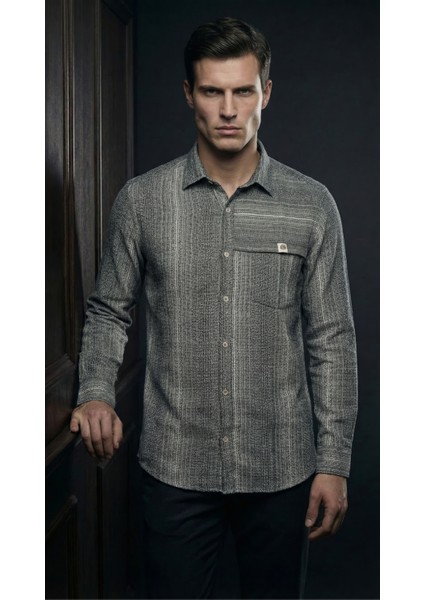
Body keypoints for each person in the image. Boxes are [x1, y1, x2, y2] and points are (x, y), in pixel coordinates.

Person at [70, 16, 358, 599]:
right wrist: (96, 391)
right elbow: (107, 311)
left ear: (266, 93)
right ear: (188, 94)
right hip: (175, 467)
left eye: (243, 91)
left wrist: (334, 462)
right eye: (212, 91)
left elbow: (332, 339)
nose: (228, 110)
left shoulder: (312, 205)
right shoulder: (142, 201)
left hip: (281, 468)